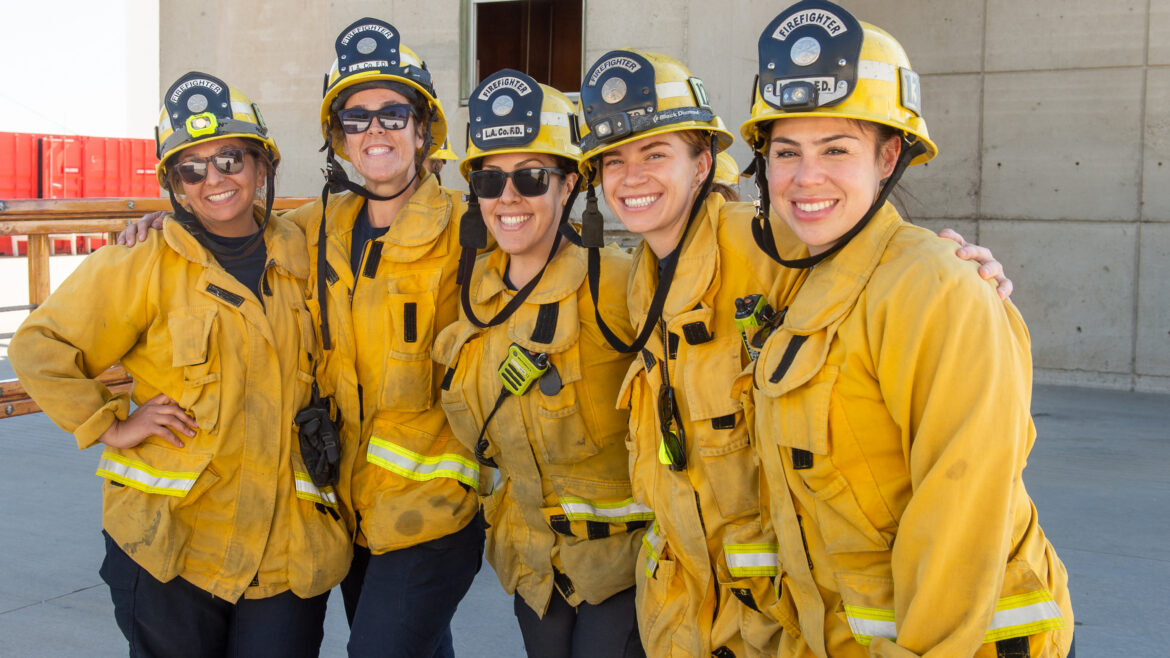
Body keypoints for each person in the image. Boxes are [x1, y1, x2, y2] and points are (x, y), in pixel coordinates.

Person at [572, 48, 1017, 657]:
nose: (632, 177)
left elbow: (961, 500)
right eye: (613, 160)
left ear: (705, 163)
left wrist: (962, 275)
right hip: (733, 612)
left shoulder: (774, 244)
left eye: (655, 153)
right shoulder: (638, 280)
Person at [736, 2, 1074, 656]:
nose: (807, 176)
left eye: (837, 148)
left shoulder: (934, 285)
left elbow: (960, 510)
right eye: (786, 152)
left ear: (889, 156)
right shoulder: (803, 274)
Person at [9, 71, 351, 657]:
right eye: (191, 168)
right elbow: (39, 346)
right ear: (174, 184)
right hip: (171, 546)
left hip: (284, 550)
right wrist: (112, 423)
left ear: (262, 165)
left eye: (230, 158)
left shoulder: (306, 251)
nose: (213, 178)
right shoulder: (143, 261)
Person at [283, 18, 484, 657]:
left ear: (423, 131)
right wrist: (155, 221)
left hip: (433, 512)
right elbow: (227, 229)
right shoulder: (316, 228)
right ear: (338, 138)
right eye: (356, 118)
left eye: (393, 114)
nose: (375, 131)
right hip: (354, 504)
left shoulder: (470, 230)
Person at [432, 69, 646, 657]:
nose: (508, 197)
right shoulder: (470, 294)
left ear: (569, 183)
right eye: (489, 178)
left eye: (530, 177)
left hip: (623, 567)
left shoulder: (621, 286)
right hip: (533, 568)